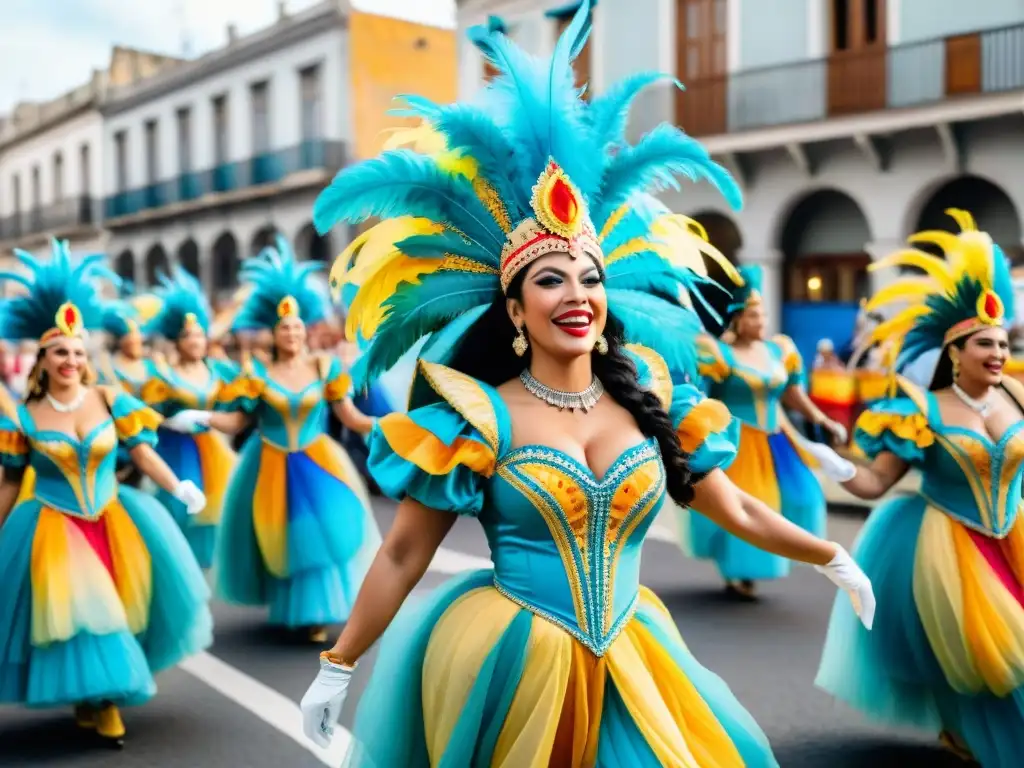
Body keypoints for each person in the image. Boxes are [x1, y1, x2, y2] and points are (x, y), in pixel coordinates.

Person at [296, 4, 874, 764]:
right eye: (550, 279)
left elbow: (729, 504)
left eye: (590, 278)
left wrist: (827, 555)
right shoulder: (475, 420)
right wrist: (337, 666)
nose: (576, 294)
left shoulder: (652, 405)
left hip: (635, 659)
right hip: (513, 667)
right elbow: (404, 555)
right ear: (514, 307)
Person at [809, 210, 1024, 765]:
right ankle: (970, 730)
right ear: (955, 353)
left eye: (1004, 343)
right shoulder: (920, 410)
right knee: (987, 650)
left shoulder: (1018, 397)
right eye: (985, 344)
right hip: (949, 545)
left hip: (1014, 531)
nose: (999, 353)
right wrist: (834, 465)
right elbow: (877, 480)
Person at [0, 240, 211, 747]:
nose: (70, 359)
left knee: (116, 609)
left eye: (77, 351)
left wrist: (178, 485)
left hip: (115, 518)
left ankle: (98, 695)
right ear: (42, 360)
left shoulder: (111, 399)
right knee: (79, 617)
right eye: (59, 352)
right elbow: (9, 482)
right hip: (52, 525)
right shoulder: (23, 418)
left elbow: (141, 455)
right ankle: (100, 699)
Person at [166, 235, 381, 643]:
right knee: (285, 539)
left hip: (319, 461)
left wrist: (391, 427)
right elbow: (236, 422)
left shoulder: (325, 368)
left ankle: (317, 613)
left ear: (307, 329)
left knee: (323, 533)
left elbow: (351, 417)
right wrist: (199, 416)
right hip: (269, 464)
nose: (293, 333)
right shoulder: (257, 375)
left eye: (298, 326)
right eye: (285, 328)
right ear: (273, 333)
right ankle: (298, 609)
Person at [684, 265, 846, 599]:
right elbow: (700, 397)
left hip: (777, 440)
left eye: (764, 315)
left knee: (803, 496)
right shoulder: (718, 355)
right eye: (755, 315)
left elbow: (793, 393)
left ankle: (766, 559)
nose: (762, 322)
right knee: (745, 507)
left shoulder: (779, 351)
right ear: (737, 319)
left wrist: (824, 420)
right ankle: (737, 571)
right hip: (736, 442)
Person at [136, 268, 239, 569]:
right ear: (176, 341)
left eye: (198, 334)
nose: (195, 340)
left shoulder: (219, 371)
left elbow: (238, 414)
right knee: (176, 515)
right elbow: (145, 416)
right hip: (173, 452)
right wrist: (170, 421)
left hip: (212, 453)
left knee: (210, 522)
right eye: (187, 335)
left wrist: (209, 417)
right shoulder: (161, 376)